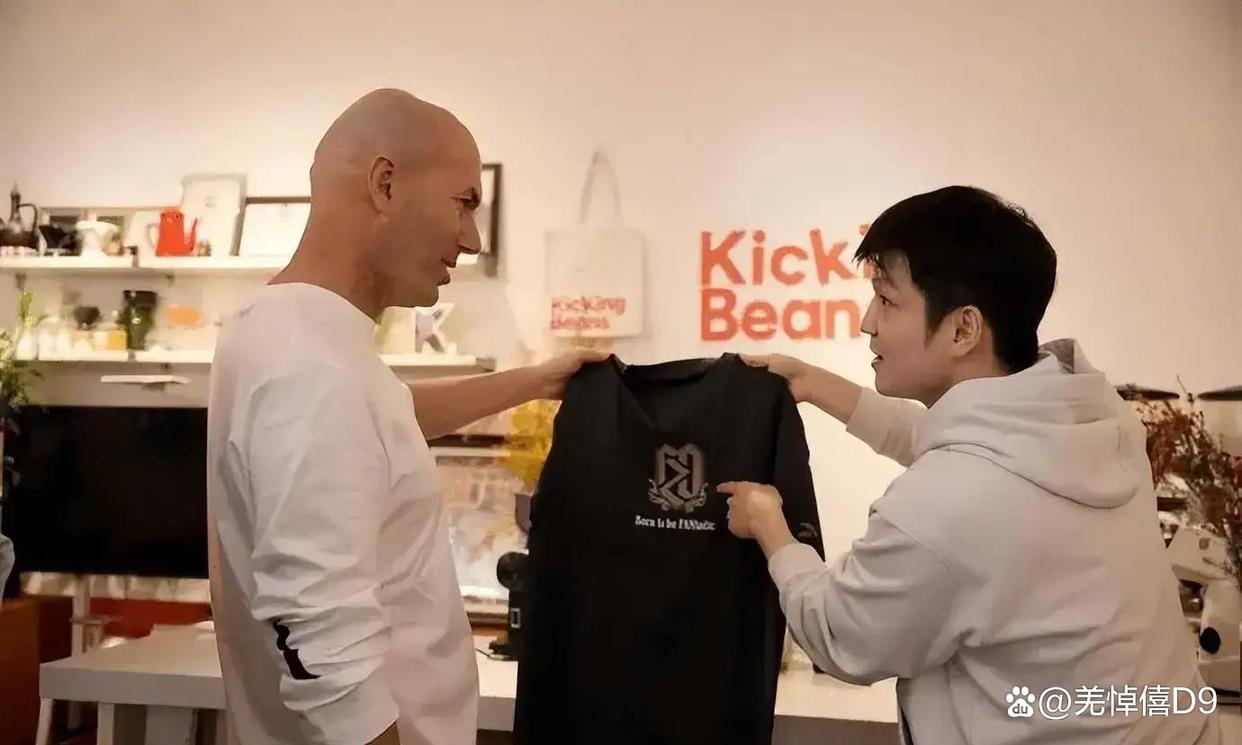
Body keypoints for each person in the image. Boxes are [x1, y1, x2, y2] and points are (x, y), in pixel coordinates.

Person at [721, 186, 1219, 744]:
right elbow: (958, 443)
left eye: (886, 301)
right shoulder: (1098, 419)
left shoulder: (944, 503)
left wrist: (771, 529)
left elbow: (841, 635)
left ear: (963, 329)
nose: (867, 322)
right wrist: (818, 384)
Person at [207, 89, 603, 745]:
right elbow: (327, 653)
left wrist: (535, 381)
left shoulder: (285, 334)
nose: (472, 239)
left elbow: (378, 419)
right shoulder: (310, 367)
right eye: (464, 203)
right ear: (385, 184)